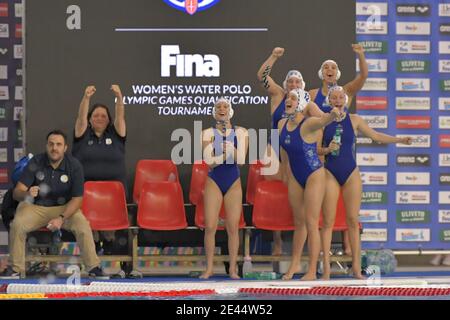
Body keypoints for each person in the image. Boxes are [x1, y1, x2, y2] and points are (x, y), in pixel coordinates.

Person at [318, 86, 412, 279]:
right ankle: (326, 269)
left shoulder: (355, 120)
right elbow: (316, 148)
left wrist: (400, 139)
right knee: (328, 222)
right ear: (329, 101)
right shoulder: (322, 122)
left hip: (351, 172)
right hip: (330, 173)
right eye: (334, 97)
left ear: (345, 100)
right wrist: (327, 150)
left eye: (340, 97)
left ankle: (355, 269)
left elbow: (376, 136)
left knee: (353, 221)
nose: (337, 100)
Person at [0, 130, 107, 279]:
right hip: (35, 207)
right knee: (18, 224)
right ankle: (15, 268)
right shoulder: (36, 162)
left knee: (82, 225)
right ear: (46, 146)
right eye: (51, 144)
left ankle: (93, 267)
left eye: (58, 144)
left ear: (65, 147)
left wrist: (61, 218)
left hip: (64, 208)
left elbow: (77, 199)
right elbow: (17, 192)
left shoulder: (74, 166)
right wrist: (27, 194)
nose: (54, 148)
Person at [257, 47, 323, 255]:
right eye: (291, 82)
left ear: (303, 87)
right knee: (276, 191)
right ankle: (277, 239)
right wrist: (274, 56)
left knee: (300, 196)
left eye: (297, 82)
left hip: (297, 153)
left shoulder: (307, 105)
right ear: (286, 85)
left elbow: (323, 118)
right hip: (275, 149)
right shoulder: (278, 95)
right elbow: (262, 76)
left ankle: (302, 237)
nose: (294, 85)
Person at [72, 85, 135, 278]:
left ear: (109, 120)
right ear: (90, 120)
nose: (100, 118)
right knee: (86, 222)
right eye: (96, 115)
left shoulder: (116, 136)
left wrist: (119, 97)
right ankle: (93, 262)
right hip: (86, 194)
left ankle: (125, 266)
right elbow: (81, 118)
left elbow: (120, 118)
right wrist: (85, 98)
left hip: (114, 195)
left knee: (119, 225)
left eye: (103, 116)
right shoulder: (82, 135)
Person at [279, 88, 341, 280]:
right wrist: (286, 173)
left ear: (301, 103)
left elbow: (324, 120)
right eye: (287, 97)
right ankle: (294, 265)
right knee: (299, 223)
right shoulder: (281, 124)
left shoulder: (309, 123)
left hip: (314, 173)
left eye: (292, 97)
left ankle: (313, 270)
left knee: (312, 223)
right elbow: (284, 153)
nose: (288, 100)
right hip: (296, 175)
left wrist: (333, 113)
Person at [200, 98, 248, 279]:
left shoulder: (242, 132)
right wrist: (224, 154)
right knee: (210, 226)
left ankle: (233, 269)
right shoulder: (206, 133)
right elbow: (210, 163)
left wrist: (232, 151)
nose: (222, 109)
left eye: (225, 106)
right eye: (218, 107)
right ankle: (209, 268)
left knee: (233, 227)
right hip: (214, 181)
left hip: (233, 182)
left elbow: (241, 160)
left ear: (231, 111)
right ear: (214, 112)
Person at [309, 44, 368, 112]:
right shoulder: (312, 94)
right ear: (321, 73)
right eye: (326, 67)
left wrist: (361, 54)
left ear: (338, 74)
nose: (329, 69)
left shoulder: (347, 91)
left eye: (333, 68)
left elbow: (363, 75)